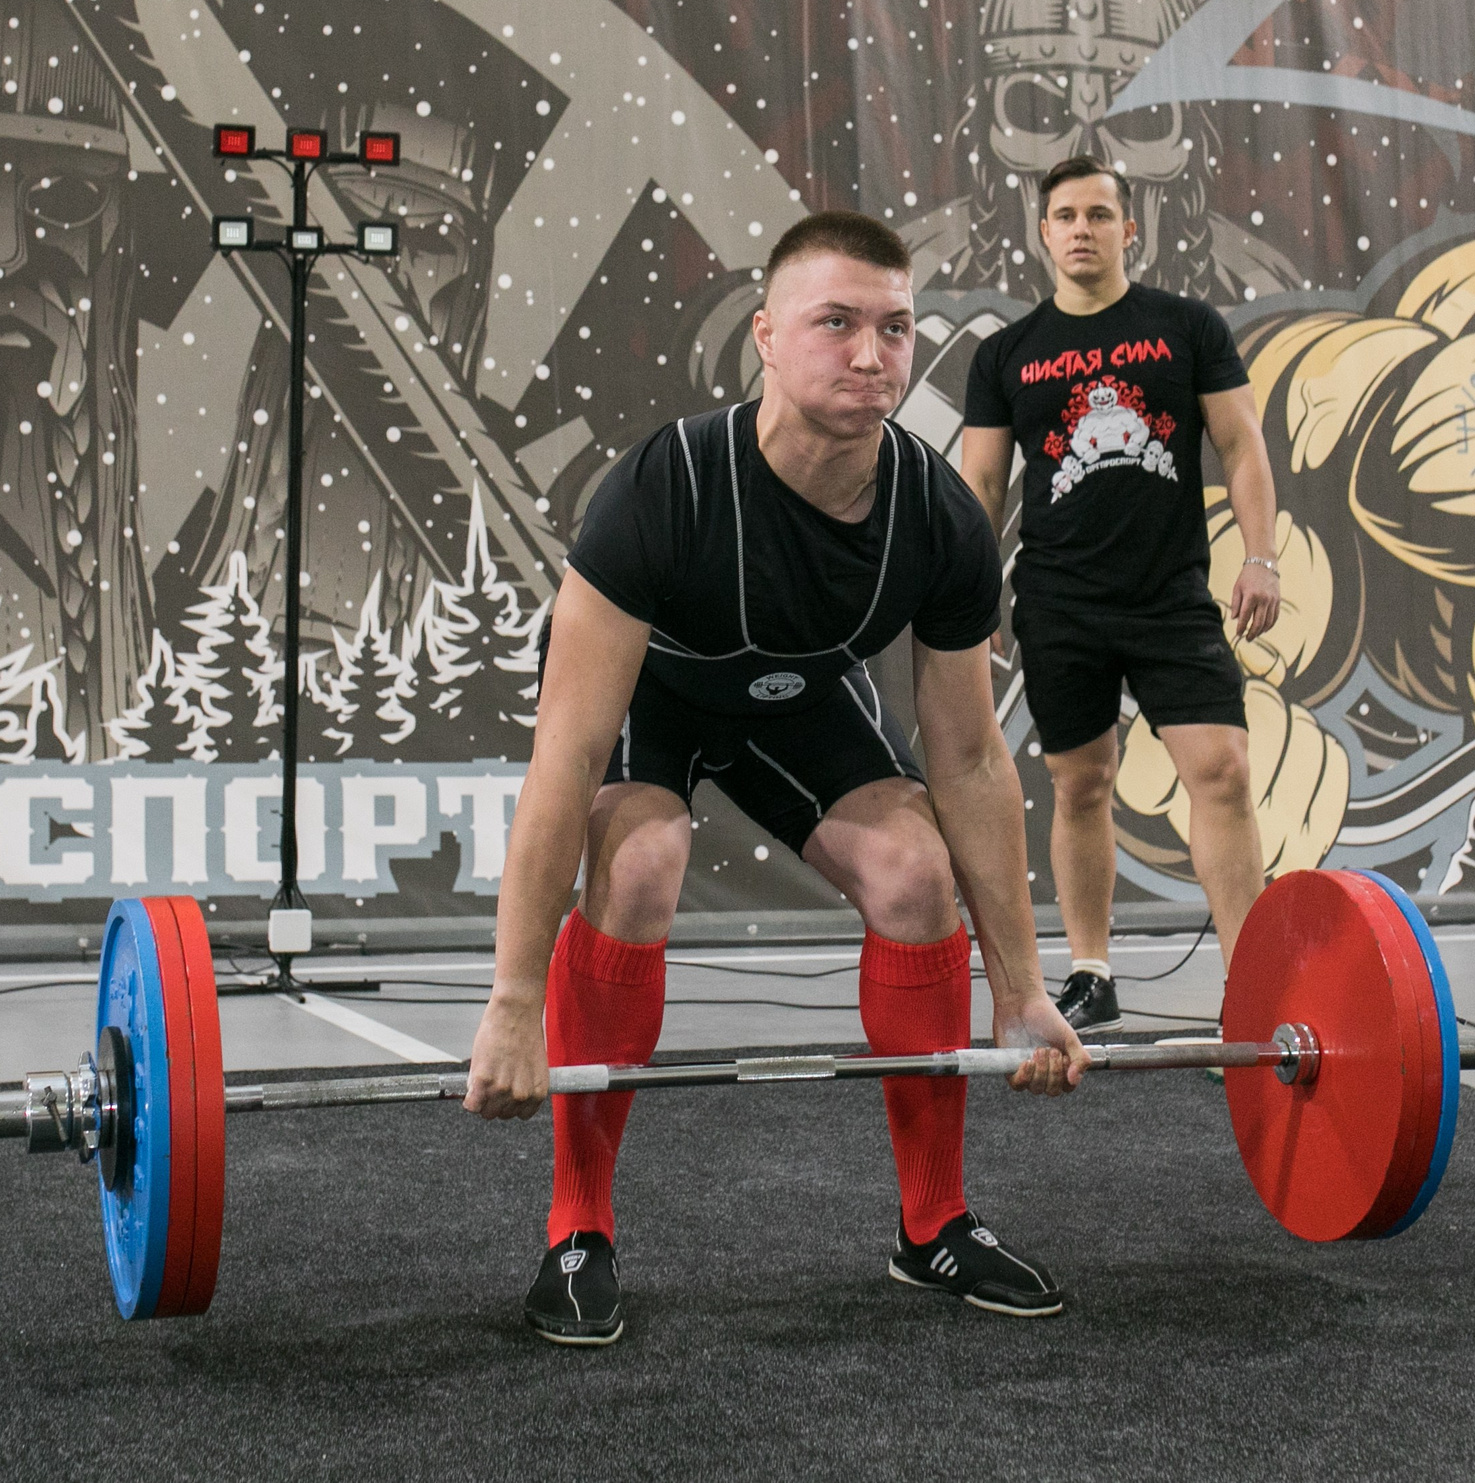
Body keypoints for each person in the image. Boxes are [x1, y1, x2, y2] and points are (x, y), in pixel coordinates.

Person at [464, 210, 1090, 1347]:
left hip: (797, 708)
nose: (871, 354)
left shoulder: (938, 514)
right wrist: (512, 1006)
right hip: (654, 702)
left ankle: (933, 1225)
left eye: (895, 329)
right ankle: (577, 1230)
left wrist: (1021, 985)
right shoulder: (664, 489)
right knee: (642, 862)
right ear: (764, 334)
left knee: (912, 869)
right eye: (837, 323)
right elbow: (563, 757)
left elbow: (965, 756)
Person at [959, 155, 1283, 1034]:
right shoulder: (1007, 353)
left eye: (1099, 214)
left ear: (1129, 228)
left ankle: (1250, 981)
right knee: (1080, 784)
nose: (1081, 230)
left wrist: (1263, 556)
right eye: (1064, 215)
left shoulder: (1187, 326)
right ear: (1042, 231)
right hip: (1059, 601)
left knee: (1221, 772)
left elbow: (1243, 446)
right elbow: (980, 488)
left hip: (1170, 596)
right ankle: (1093, 974)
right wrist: (972, 598)